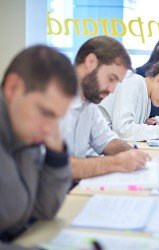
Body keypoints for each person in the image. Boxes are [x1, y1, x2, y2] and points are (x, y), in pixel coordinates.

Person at [0, 45, 77, 248]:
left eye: (57, 118)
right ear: (13, 88)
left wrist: (56, 156)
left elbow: (42, 211)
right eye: (46, 113)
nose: (49, 129)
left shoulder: (25, 133)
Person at [60, 36, 149, 180]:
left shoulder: (88, 102)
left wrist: (136, 155)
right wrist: (116, 163)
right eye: (111, 79)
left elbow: (107, 141)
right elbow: (58, 166)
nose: (112, 89)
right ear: (91, 62)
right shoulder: (53, 100)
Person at [99, 57, 159, 141]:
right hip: (93, 153)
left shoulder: (147, 96)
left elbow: (123, 125)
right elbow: (122, 130)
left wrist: (141, 123)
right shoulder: (132, 81)